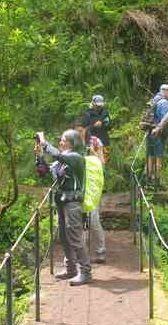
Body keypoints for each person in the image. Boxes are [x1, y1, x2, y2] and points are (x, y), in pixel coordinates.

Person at [36, 129, 91, 285]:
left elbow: (56, 154)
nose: (61, 142)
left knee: (74, 236)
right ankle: (71, 269)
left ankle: (85, 272)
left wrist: (43, 141)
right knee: (63, 236)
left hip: (73, 202)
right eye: (60, 140)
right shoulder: (61, 162)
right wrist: (39, 155)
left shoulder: (76, 158)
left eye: (64, 140)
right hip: (61, 201)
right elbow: (44, 171)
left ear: (73, 143)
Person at [144, 84, 168, 189]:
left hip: (149, 131)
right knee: (159, 158)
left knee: (150, 157)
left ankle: (148, 181)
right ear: (164, 91)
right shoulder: (164, 102)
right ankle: (157, 182)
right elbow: (164, 119)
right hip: (158, 133)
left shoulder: (153, 100)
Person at [83, 136, 106, 263]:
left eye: (81, 129)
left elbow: (102, 164)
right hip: (78, 186)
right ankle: (82, 254)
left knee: (93, 220)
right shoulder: (71, 140)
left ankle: (100, 250)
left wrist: (94, 153)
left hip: (92, 186)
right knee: (79, 223)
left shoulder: (96, 141)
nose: (79, 132)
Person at [81, 95, 112, 163]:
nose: (99, 107)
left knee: (104, 162)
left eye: (100, 105)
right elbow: (83, 128)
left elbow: (110, 126)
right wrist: (94, 126)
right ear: (93, 104)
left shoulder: (105, 113)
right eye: (97, 105)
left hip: (104, 142)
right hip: (92, 143)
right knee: (92, 163)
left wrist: (103, 124)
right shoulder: (87, 114)